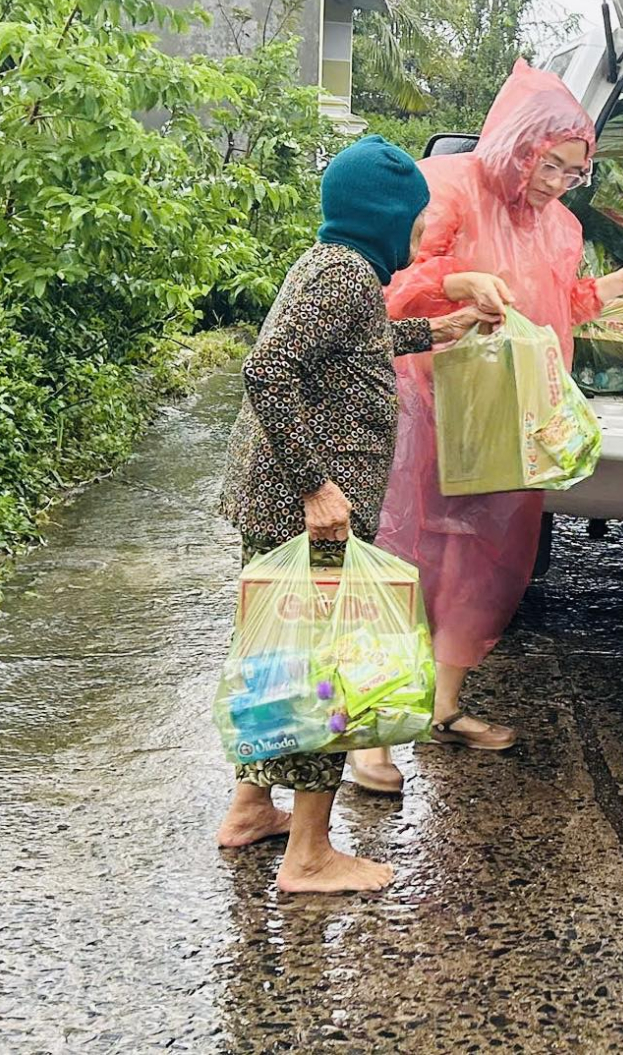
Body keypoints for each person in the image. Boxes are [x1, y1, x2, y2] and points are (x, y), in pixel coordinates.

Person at [349, 62, 623, 789]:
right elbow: (389, 283)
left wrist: (617, 285)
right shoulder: (447, 187)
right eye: (548, 163)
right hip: (426, 402)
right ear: (517, 143)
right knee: (401, 557)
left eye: (573, 171)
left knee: (483, 562)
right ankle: (368, 732)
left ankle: (442, 704)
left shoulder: (560, 227)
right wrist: (458, 281)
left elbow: (558, 303)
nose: (556, 181)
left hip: (510, 412)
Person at [213, 135, 498, 892]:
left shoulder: (335, 268)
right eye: (413, 222)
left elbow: (351, 347)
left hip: (282, 508)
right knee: (322, 678)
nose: (418, 236)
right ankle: (309, 853)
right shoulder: (344, 275)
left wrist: (436, 329)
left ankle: (251, 807)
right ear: (383, 219)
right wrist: (316, 486)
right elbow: (268, 369)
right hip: (309, 516)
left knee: (276, 666)